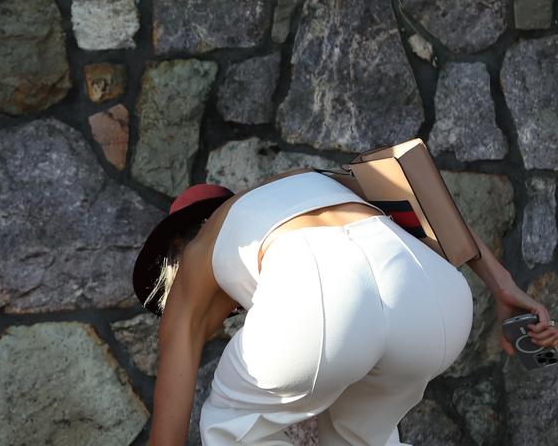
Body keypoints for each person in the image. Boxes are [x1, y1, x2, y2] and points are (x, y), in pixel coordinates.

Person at [132, 170, 558, 446]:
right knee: (364, 437)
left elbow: (166, 438)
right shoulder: (310, 181)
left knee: (231, 421)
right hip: (435, 297)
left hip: (323, 295)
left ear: (178, 244)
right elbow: (424, 198)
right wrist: (503, 285)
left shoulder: (194, 257)